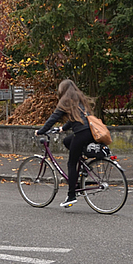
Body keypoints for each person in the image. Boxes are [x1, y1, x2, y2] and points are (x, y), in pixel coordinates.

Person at [35, 79, 96, 208]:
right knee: (67, 141)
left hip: (81, 134)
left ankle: (71, 195)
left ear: (62, 90)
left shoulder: (64, 101)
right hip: (90, 132)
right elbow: (77, 117)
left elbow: (53, 118)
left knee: (71, 163)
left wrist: (41, 131)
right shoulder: (79, 98)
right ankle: (83, 168)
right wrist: (63, 128)